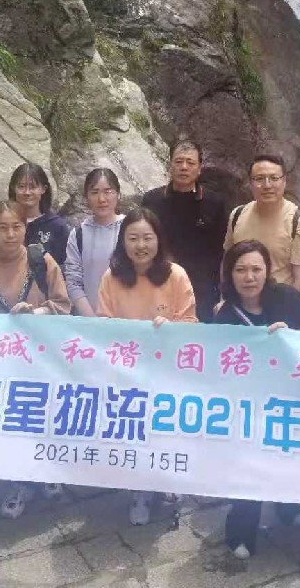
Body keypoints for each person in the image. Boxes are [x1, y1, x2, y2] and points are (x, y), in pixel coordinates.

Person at [214, 239, 300, 559]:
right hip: (248, 404)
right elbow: (218, 364)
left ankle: (287, 503)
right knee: (248, 465)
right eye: (240, 270)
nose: (249, 277)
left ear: (267, 271)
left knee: (288, 457)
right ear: (230, 274)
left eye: (256, 269)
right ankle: (241, 527)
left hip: (290, 398)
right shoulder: (225, 315)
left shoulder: (287, 297)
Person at [96, 208, 197, 525]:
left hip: (167, 371)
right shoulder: (111, 278)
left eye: (147, 238)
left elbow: (191, 322)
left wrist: (172, 328)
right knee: (134, 433)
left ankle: (167, 482)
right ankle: (139, 491)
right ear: (122, 242)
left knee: (164, 431)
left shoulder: (176, 275)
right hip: (128, 373)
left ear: (158, 240)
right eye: (133, 238)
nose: (141, 245)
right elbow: (103, 324)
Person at [0, 199, 71, 518]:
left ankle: (46, 473)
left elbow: (63, 304)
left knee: (43, 416)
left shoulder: (41, 260)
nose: (11, 234)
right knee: (12, 421)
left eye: (17, 226)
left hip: (42, 355)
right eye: (3, 227)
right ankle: (18, 481)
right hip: (3, 359)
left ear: (25, 228)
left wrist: (36, 313)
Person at [142, 139, 228, 322]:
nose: (184, 167)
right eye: (179, 161)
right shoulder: (151, 201)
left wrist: (222, 293)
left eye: (190, 162)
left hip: (202, 290)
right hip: (159, 283)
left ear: (199, 168)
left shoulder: (215, 203)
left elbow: (222, 251)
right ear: (170, 165)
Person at [223, 154, 300, 290]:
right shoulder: (238, 215)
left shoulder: (298, 222)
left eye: (274, 178)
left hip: (280, 300)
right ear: (250, 183)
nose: (267, 185)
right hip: (241, 299)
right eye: (259, 179)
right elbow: (227, 262)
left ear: (284, 181)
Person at [64, 168, 124, 317]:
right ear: (86, 197)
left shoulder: (130, 229)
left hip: (126, 319)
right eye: (95, 192)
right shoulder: (78, 235)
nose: (101, 199)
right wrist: (93, 320)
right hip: (87, 319)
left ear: (118, 194)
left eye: (108, 191)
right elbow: (73, 282)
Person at [8, 162, 70, 267]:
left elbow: (65, 266)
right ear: (13, 188)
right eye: (21, 186)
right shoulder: (4, 222)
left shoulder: (57, 226)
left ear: (43, 189)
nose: (27, 192)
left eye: (32, 187)